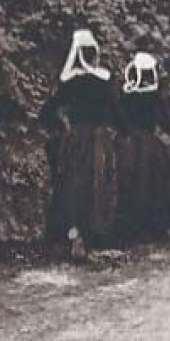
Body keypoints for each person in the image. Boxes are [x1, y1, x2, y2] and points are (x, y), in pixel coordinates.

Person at [39, 29, 121, 262]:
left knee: (72, 186)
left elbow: (46, 113)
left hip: (74, 141)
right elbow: (116, 111)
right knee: (98, 186)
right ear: (94, 54)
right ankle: (92, 235)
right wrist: (120, 130)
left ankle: (74, 233)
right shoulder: (104, 81)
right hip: (99, 140)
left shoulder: (70, 83)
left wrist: (62, 128)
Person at [112, 52, 170, 244]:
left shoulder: (124, 95)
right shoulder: (154, 97)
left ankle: (130, 227)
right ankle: (154, 226)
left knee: (128, 184)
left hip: (125, 144)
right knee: (154, 184)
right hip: (150, 146)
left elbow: (116, 119)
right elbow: (168, 123)